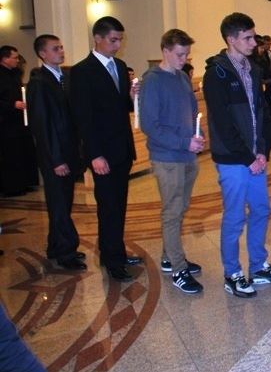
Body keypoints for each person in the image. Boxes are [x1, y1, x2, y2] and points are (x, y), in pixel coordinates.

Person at [203, 13, 271, 298]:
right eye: (248, 38)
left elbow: (262, 112)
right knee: (235, 215)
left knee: (261, 209)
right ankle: (232, 273)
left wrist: (263, 150)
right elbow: (222, 123)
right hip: (233, 159)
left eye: (254, 37)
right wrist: (247, 157)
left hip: (256, 156)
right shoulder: (216, 74)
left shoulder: (253, 69)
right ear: (231, 39)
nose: (255, 42)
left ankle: (258, 265)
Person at [69, 16, 140, 282]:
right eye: (113, 40)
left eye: (120, 40)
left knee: (119, 205)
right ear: (97, 38)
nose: (118, 45)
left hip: (122, 149)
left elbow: (122, 107)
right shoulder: (82, 71)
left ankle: (115, 251)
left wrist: (132, 97)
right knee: (108, 207)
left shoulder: (119, 66)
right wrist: (95, 154)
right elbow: (83, 118)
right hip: (102, 153)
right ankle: (113, 261)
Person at [140, 29, 206, 294]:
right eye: (179, 54)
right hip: (167, 157)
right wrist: (183, 142)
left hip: (186, 154)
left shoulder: (182, 78)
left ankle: (170, 257)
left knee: (181, 207)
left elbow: (192, 111)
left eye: (187, 54)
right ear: (165, 51)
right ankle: (179, 269)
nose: (184, 59)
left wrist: (198, 135)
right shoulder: (152, 81)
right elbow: (149, 125)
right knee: (172, 211)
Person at [26, 35, 84, 270]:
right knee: (59, 205)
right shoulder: (39, 82)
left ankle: (55, 245)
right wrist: (56, 160)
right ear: (43, 54)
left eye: (61, 47)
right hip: (55, 156)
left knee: (63, 202)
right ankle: (66, 253)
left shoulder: (64, 77)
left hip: (68, 151)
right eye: (55, 48)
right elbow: (42, 125)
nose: (61, 51)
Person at [0, 45, 38, 197]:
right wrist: (12, 104)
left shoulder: (15, 74)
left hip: (20, 120)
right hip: (6, 122)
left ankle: (25, 182)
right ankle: (13, 187)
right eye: (14, 58)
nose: (17, 60)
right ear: (4, 59)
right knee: (11, 154)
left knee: (24, 151)